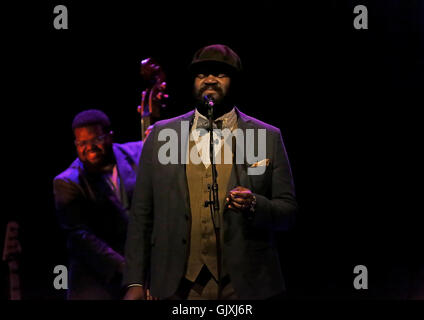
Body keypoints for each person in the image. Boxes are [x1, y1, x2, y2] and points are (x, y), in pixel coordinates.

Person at [123, 44, 297, 300]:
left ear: (235, 81)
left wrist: (254, 205)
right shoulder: (162, 135)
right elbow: (141, 215)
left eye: (220, 73)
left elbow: (288, 212)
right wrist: (135, 281)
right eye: (201, 74)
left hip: (245, 285)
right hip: (179, 285)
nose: (210, 79)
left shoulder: (265, 136)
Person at [53, 109, 142, 299]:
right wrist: (128, 268)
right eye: (82, 143)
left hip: (141, 265)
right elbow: (81, 237)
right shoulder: (67, 182)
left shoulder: (138, 153)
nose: (90, 147)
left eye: (97, 139)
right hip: (97, 275)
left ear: (110, 136)